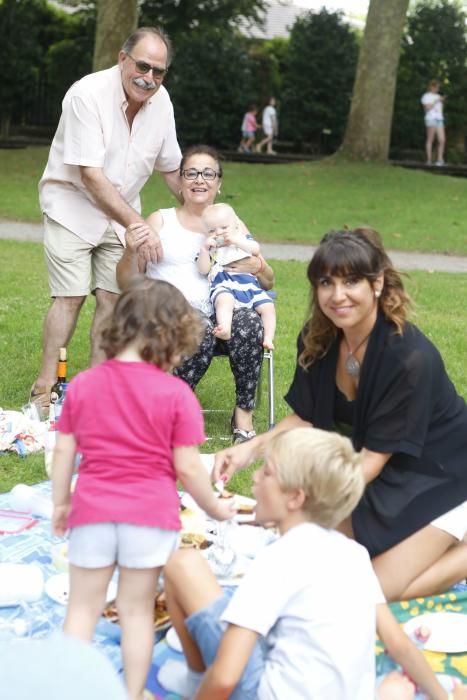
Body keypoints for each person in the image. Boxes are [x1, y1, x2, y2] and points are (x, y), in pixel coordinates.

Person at [213, 227, 467, 602]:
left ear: (376, 283)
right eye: (326, 282)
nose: (337, 295)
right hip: (380, 464)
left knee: (370, 591)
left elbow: (368, 463)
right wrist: (249, 450)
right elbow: (305, 418)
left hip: (440, 470)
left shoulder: (408, 357)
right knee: (322, 556)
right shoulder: (319, 337)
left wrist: (305, 503)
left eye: (351, 281)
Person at [163, 428, 464, 700]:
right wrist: (440, 695)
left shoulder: (278, 558)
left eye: (266, 472)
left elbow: (226, 677)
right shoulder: (352, 553)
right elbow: (399, 645)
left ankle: (195, 680)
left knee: (182, 563)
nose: (255, 478)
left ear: (295, 497)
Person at [51, 276, 235, 700]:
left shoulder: (84, 383)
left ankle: (65, 690)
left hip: (92, 511)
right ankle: (132, 694)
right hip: (150, 519)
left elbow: (63, 452)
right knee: (136, 613)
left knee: (80, 610)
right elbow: (188, 467)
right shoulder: (176, 395)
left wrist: (62, 503)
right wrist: (213, 506)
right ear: (173, 338)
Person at [30, 26, 182, 409]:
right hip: (72, 205)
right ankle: (43, 390)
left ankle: (94, 393)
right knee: (71, 297)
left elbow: (171, 168)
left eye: (158, 71)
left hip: (121, 212)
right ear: (122, 59)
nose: (149, 78)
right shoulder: (87, 94)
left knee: (113, 298)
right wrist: (139, 224)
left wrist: (203, 208)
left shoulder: (162, 102)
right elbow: (90, 176)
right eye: (143, 66)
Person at [116, 144, 275, 444]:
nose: (199, 179)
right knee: (197, 324)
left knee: (250, 324)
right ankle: (172, 410)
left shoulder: (233, 225)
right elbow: (127, 283)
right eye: (191, 172)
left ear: (219, 182)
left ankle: (243, 414)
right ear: (179, 180)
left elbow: (268, 281)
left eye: (208, 173)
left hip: (221, 317)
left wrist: (257, 265)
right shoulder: (160, 221)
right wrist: (129, 251)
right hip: (168, 317)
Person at [197, 202, 276, 349]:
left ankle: (268, 338)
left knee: (268, 307)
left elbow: (255, 249)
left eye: (224, 228)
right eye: (212, 230)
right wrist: (204, 250)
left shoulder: (241, 241)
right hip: (224, 285)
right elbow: (203, 269)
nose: (219, 233)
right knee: (224, 301)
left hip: (250, 287)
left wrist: (236, 240)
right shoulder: (212, 248)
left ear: (236, 227)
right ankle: (225, 328)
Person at [421, 80, 446, 166]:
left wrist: (441, 101)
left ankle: (440, 160)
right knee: (430, 139)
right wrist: (436, 101)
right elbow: (427, 108)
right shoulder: (426, 96)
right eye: (436, 87)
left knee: (442, 140)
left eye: (438, 87)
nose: (437, 89)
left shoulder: (439, 96)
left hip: (439, 119)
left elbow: (440, 110)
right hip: (430, 119)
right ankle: (429, 160)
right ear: (431, 87)